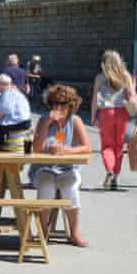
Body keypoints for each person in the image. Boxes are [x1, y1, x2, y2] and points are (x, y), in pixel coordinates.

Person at [29, 85, 92, 247]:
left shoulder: (75, 121)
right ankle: (42, 232)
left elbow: (87, 148)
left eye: (63, 104)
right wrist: (46, 123)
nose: (58, 107)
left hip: (68, 168)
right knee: (46, 187)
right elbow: (36, 148)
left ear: (71, 106)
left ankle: (74, 233)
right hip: (44, 168)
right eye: (55, 103)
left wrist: (68, 150)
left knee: (70, 189)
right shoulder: (44, 120)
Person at [91, 50, 137, 190]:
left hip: (106, 113)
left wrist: (94, 116)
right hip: (122, 113)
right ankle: (116, 177)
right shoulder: (126, 76)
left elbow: (95, 99)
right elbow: (132, 96)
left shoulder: (100, 77)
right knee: (119, 146)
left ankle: (109, 170)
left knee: (107, 146)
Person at [0, 74, 31, 150]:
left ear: (1, 84)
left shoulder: (7, 93)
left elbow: (1, 112)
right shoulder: (12, 91)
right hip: (25, 121)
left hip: (19, 123)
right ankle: (0, 146)